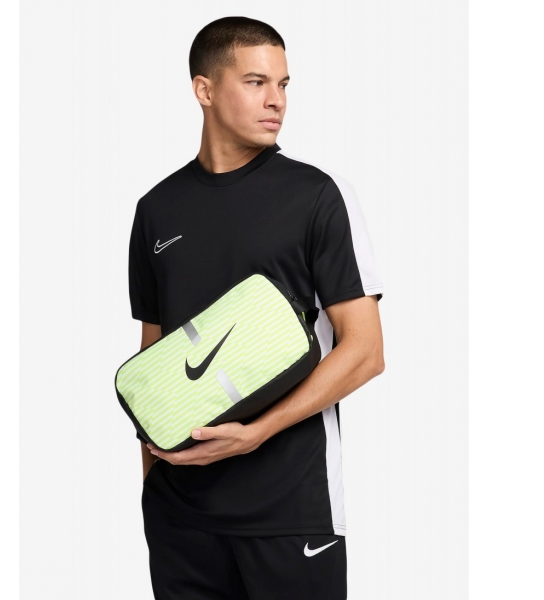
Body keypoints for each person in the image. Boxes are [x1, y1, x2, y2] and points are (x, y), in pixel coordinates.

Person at [127, 16, 385, 600]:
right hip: (180, 520)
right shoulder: (157, 209)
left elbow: (366, 352)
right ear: (204, 89)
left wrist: (257, 433)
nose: (277, 101)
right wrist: (151, 494)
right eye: (256, 82)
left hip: (289, 513)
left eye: (284, 84)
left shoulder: (318, 196)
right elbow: (154, 360)